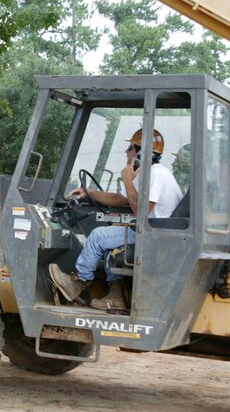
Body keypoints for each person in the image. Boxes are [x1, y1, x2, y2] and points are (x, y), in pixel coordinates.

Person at [49, 128, 183, 310]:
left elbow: (140, 212)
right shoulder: (150, 174)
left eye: (130, 148)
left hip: (153, 237)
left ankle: (79, 282)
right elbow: (120, 199)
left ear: (141, 153)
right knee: (108, 242)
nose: (126, 152)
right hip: (153, 233)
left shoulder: (155, 175)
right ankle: (116, 295)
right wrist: (89, 194)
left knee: (97, 236)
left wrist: (127, 180)